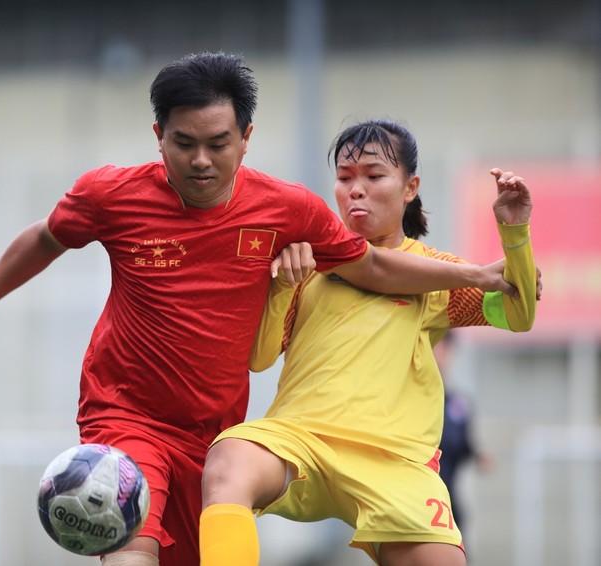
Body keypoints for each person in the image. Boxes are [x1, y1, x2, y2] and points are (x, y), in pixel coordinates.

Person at [0, 55, 516, 566]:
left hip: (213, 431)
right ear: (158, 135)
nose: (201, 161)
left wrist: (482, 272)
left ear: (245, 138)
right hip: (125, 410)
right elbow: (45, 237)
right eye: (184, 143)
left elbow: (375, 267)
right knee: (132, 547)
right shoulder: (112, 194)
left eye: (219, 144)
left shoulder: (288, 210)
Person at [199, 118, 537, 566]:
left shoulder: (434, 272)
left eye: (374, 176)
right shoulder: (309, 258)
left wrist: (514, 233)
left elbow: (519, 314)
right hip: (302, 443)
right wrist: (283, 284)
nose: (355, 190)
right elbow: (259, 358)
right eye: (344, 178)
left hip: (394, 463)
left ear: (410, 187)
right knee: (228, 460)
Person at [436, 331, 495, 533]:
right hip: (409, 503)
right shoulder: (404, 400)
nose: (438, 353)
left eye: (445, 347)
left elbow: (464, 445)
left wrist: (478, 455)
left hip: (447, 505)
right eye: (434, 345)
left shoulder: (457, 404)